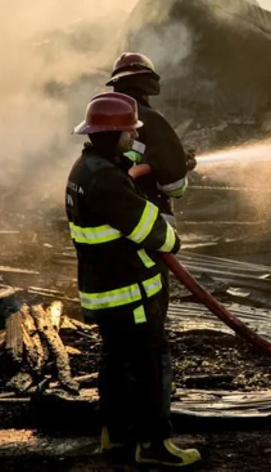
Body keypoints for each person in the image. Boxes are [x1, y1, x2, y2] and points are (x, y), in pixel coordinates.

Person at [65, 92, 201, 467]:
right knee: (150, 363)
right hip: (130, 292)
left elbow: (125, 171)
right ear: (113, 135)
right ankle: (154, 445)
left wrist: (163, 164)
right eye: (128, 134)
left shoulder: (85, 168)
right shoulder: (107, 182)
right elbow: (153, 231)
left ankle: (115, 435)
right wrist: (173, 237)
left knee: (115, 360)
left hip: (104, 292)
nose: (133, 139)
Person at [106, 52, 196, 228]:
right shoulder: (153, 121)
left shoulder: (105, 120)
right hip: (150, 222)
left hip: (114, 220)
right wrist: (180, 166)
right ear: (149, 82)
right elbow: (174, 187)